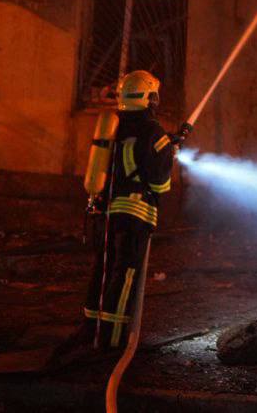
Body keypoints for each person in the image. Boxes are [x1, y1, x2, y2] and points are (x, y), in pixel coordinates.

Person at [73, 70, 190, 350]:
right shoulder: (153, 132)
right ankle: (112, 341)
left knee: (103, 269)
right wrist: (167, 156)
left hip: (104, 213)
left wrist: (166, 147)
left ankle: (91, 331)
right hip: (134, 215)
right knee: (124, 275)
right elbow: (160, 185)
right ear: (148, 98)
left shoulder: (114, 127)